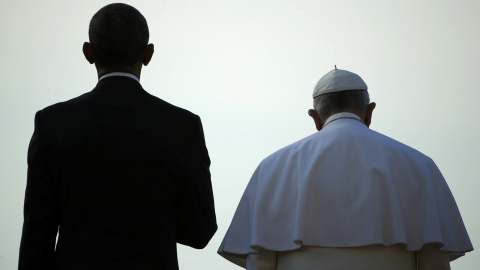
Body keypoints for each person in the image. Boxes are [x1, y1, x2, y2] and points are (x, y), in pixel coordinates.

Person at [18, 3, 217, 270]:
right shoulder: (182, 126)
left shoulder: (52, 123)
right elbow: (200, 232)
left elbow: (36, 240)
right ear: (148, 54)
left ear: (88, 52)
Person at [218, 68, 473, 269]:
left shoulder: (272, 167)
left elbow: (260, 260)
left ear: (315, 118)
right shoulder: (419, 165)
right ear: (370, 112)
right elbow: (434, 261)